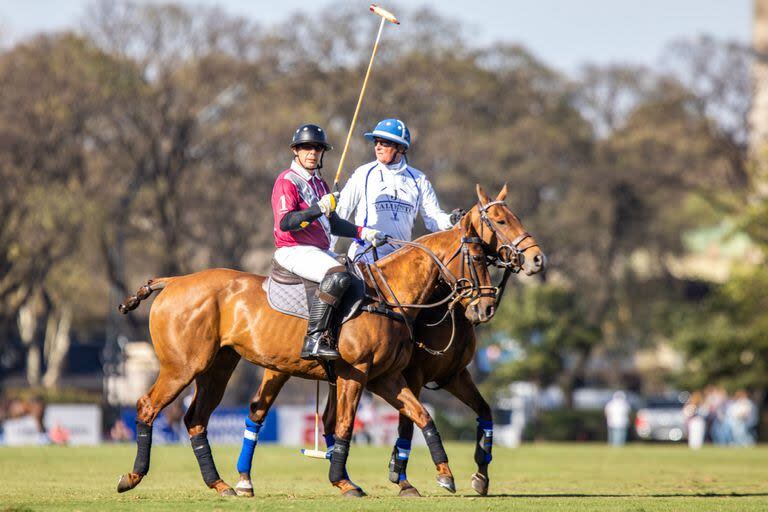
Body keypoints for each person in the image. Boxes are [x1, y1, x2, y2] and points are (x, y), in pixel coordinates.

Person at [272, 123, 387, 361]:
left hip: (318, 250)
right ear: (296, 150)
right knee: (337, 275)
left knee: (358, 276)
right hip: (293, 249)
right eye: (306, 147)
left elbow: (333, 224)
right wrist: (318, 208)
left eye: (317, 148)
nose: (312, 152)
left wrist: (363, 232)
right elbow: (286, 222)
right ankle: (313, 339)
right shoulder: (287, 181)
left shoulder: (320, 184)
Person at [334, 118, 462, 263]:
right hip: (365, 256)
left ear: (401, 148)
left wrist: (451, 220)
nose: (378, 147)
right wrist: (328, 250)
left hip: (401, 260)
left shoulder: (419, 179)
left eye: (385, 143)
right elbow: (340, 214)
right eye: (376, 142)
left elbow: (433, 219)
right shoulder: (363, 173)